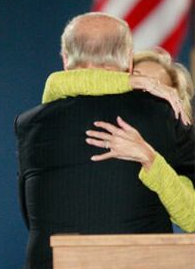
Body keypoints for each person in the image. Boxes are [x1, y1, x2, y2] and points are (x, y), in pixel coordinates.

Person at [14, 12, 195, 269]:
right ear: (129, 62)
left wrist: (152, 161)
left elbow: (30, 219)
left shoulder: (30, 126)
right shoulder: (163, 116)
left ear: (65, 60)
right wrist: (128, 81)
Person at [41, 49, 195, 232]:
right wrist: (130, 81)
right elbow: (56, 84)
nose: (141, 93)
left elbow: (191, 217)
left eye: (156, 90)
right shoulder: (92, 115)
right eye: (139, 80)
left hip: (145, 253)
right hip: (74, 248)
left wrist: (150, 159)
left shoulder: (177, 144)